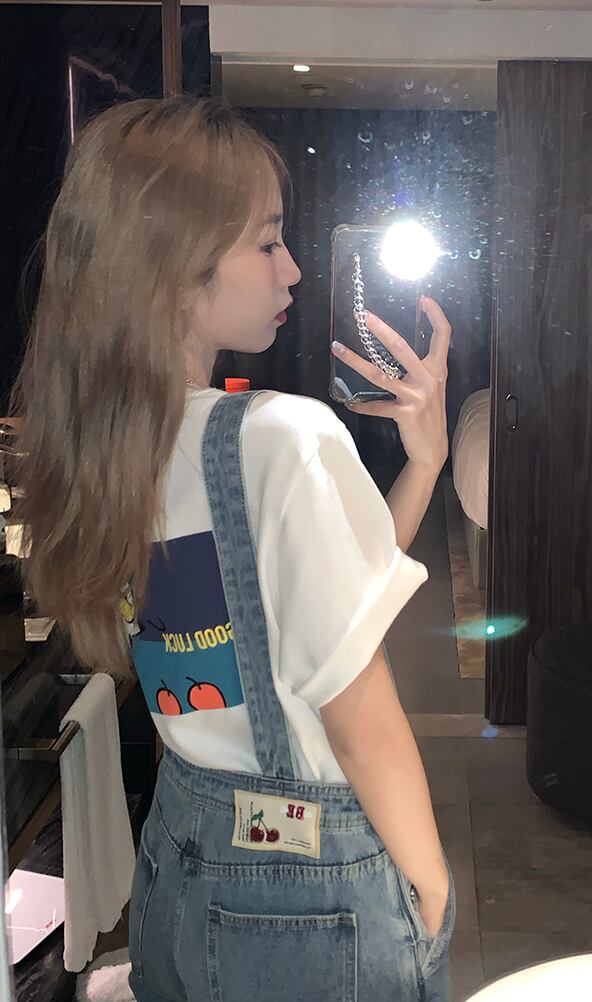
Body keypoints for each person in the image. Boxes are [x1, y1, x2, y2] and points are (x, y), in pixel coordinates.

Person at [9, 97, 456, 1000]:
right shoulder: (279, 436)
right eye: (267, 242)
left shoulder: (113, 449)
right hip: (302, 887)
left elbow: (319, 610)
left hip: (180, 860)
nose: (293, 268)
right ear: (176, 268)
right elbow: (356, 712)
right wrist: (434, 890)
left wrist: (425, 462)